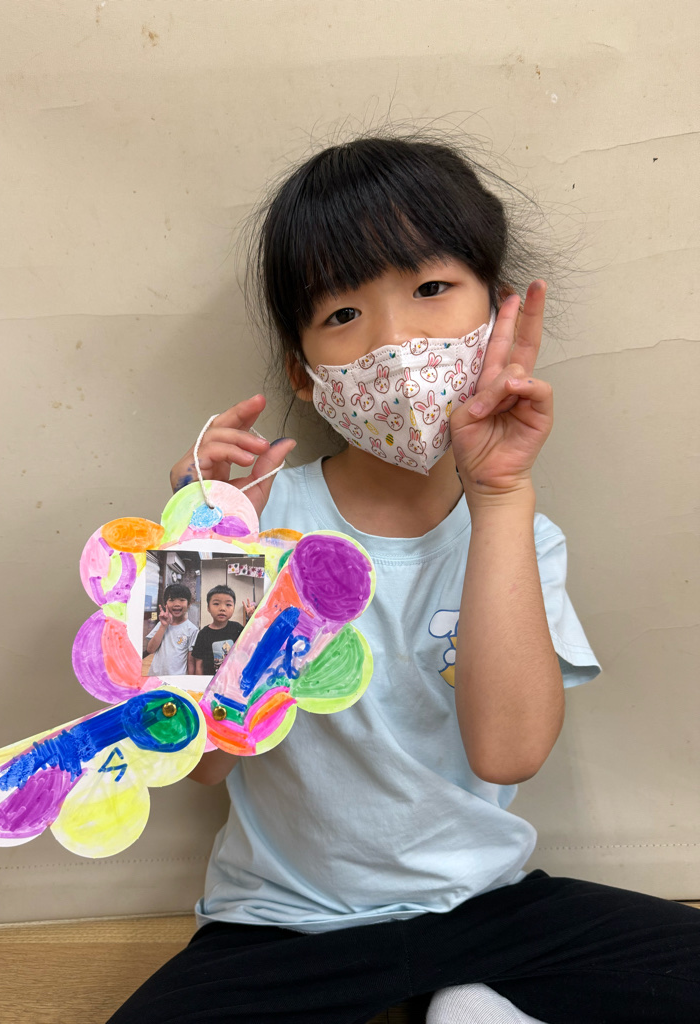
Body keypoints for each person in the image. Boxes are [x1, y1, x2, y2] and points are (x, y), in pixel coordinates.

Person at [109, 134, 699, 1024]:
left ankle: (466, 1002)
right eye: (344, 313)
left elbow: (509, 753)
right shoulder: (260, 520)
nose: (395, 341)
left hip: (489, 908)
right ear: (304, 370)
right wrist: (207, 548)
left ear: (497, 318)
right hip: (283, 924)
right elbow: (194, 764)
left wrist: (499, 496)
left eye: (430, 290)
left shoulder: (521, 534)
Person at [144, 583, 199, 677]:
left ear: (189, 604)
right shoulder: (161, 624)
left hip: (177, 678)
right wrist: (163, 626)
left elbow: (190, 661)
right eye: (172, 600)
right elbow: (150, 649)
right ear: (165, 604)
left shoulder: (192, 630)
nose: (176, 604)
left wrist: (190, 681)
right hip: (155, 676)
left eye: (182, 600)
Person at [191, 585, 245, 676]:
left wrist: (254, 619)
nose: (222, 608)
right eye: (216, 604)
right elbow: (199, 665)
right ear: (208, 608)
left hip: (233, 680)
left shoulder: (237, 628)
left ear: (234, 608)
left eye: (228, 605)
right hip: (210, 682)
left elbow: (252, 646)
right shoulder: (203, 634)